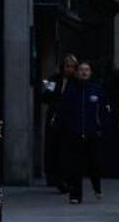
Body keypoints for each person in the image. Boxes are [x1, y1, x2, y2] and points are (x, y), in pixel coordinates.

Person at [54, 59, 109, 202]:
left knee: (94, 162)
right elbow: (63, 110)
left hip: (92, 131)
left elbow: (103, 111)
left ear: (90, 73)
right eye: (81, 70)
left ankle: (97, 187)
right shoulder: (71, 89)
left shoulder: (97, 89)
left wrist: (102, 127)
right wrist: (62, 127)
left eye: (86, 70)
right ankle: (76, 195)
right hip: (74, 131)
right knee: (75, 165)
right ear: (77, 73)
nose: (84, 72)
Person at [42, 56, 78, 188]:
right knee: (53, 147)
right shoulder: (54, 79)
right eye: (67, 66)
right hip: (55, 117)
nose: (69, 69)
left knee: (66, 149)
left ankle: (65, 178)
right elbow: (46, 97)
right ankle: (54, 177)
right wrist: (48, 89)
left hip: (69, 118)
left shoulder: (76, 82)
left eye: (72, 67)